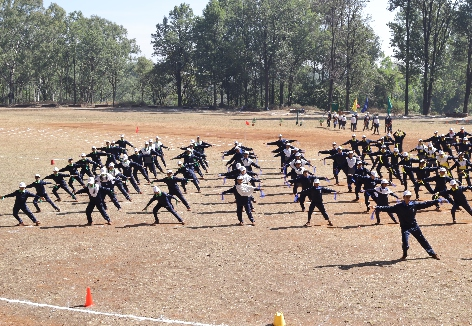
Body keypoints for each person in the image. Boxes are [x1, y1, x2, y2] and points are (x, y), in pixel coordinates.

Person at [374, 190, 441, 260]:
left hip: (414, 226)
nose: (408, 198)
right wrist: (377, 207)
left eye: (409, 197)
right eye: (407, 197)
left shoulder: (414, 205)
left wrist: (436, 201)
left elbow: (425, 204)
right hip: (405, 228)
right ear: (403, 197)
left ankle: (432, 253)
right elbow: (388, 208)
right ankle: (404, 254)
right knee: (405, 243)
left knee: (423, 240)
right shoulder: (398, 207)